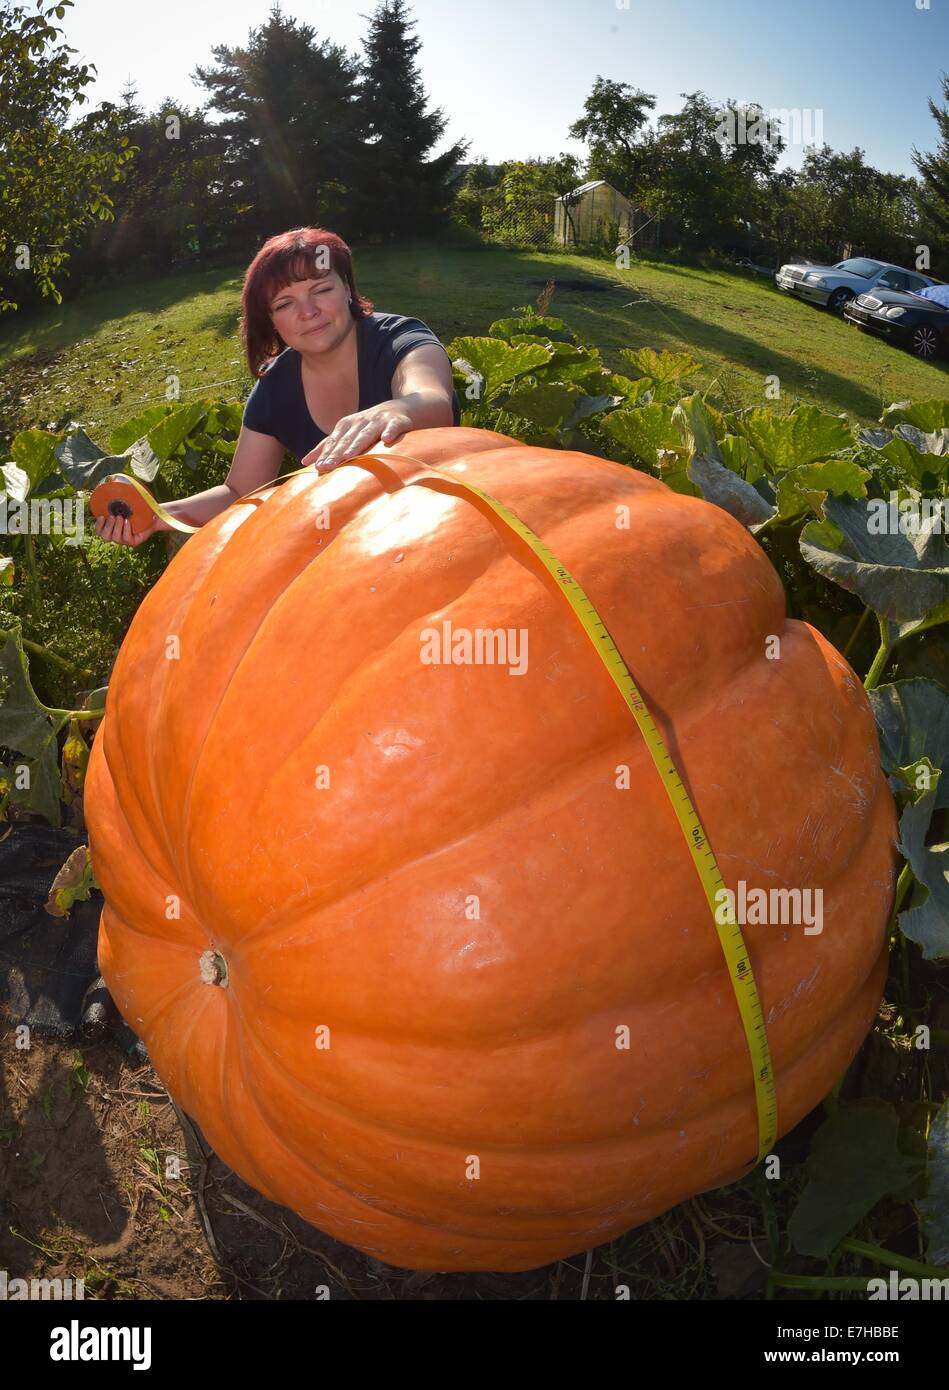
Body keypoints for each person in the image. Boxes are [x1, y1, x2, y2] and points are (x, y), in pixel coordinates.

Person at [95, 226, 460, 546]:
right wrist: (160, 514)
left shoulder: (400, 339)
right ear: (270, 320)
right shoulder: (275, 387)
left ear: (347, 288)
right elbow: (240, 491)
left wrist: (398, 409)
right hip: (354, 544)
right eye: (285, 303)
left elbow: (432, 400)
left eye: (320, 289)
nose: (308, 311)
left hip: (441, 517)